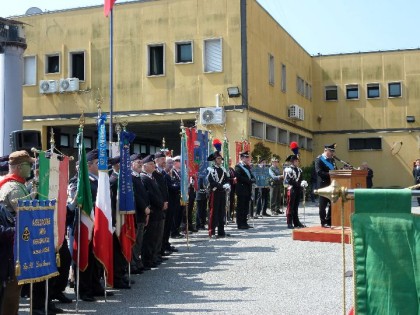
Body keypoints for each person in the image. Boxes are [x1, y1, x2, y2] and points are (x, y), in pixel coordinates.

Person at [0, 150, 33, 315]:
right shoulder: (13, 187)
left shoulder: (19, 184)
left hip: (14, 241)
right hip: (11, 245)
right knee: (13, 287)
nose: (32, 168)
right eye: (29, 165)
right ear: (20, 167)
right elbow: (27, 214)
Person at [206, 151, 230, 238]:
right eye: (218, 158)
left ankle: (221, 231)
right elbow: (211, 182)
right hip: (215, 193)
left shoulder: (223, 169)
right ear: (214, 160)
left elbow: (227, 179)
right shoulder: (210, 170)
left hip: (222, 193)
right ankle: (211, 232)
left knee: (222, 212)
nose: (220, 160)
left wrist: (227, 185)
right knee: (213, 212)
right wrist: (222, 186)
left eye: (220, 158)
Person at [314, 144, 337, 228]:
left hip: (332, 184)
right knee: (322, 205)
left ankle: (329, 220)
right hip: (323, 185)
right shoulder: (319, 159)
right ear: (326, 150)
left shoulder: (332, 160)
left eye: (333, 151)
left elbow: (335, 170)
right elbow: (319, 171)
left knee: (332, 203)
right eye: (331, 151)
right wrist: (330, 174)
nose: (332, 153)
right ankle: (323, 222)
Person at [284, 155, 306, 229]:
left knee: (296, 206)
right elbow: (288, 180)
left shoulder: (299, 170)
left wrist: (303, 183)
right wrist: (298, 184)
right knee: (290, 206)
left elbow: (301, 179)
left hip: (297, 189)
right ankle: (289, 222)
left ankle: (296, 222)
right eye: (296, 161)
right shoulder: (288, 169)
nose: (297, 162)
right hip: (291, 189)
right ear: (292, 162)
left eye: (297, 161)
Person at [234, 151, 255, 229]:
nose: (247, 158)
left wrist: (253, 179)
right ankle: (240, 223)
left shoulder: (247, 166)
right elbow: (239, 177)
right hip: (241, 190)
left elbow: (251, 175)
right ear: (242, 158)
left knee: (246, 207)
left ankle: (245, 222)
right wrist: (249, 181)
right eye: (246, 157)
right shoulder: (238, 166)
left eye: (248, 157)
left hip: (247, 189)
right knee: (241, 207)